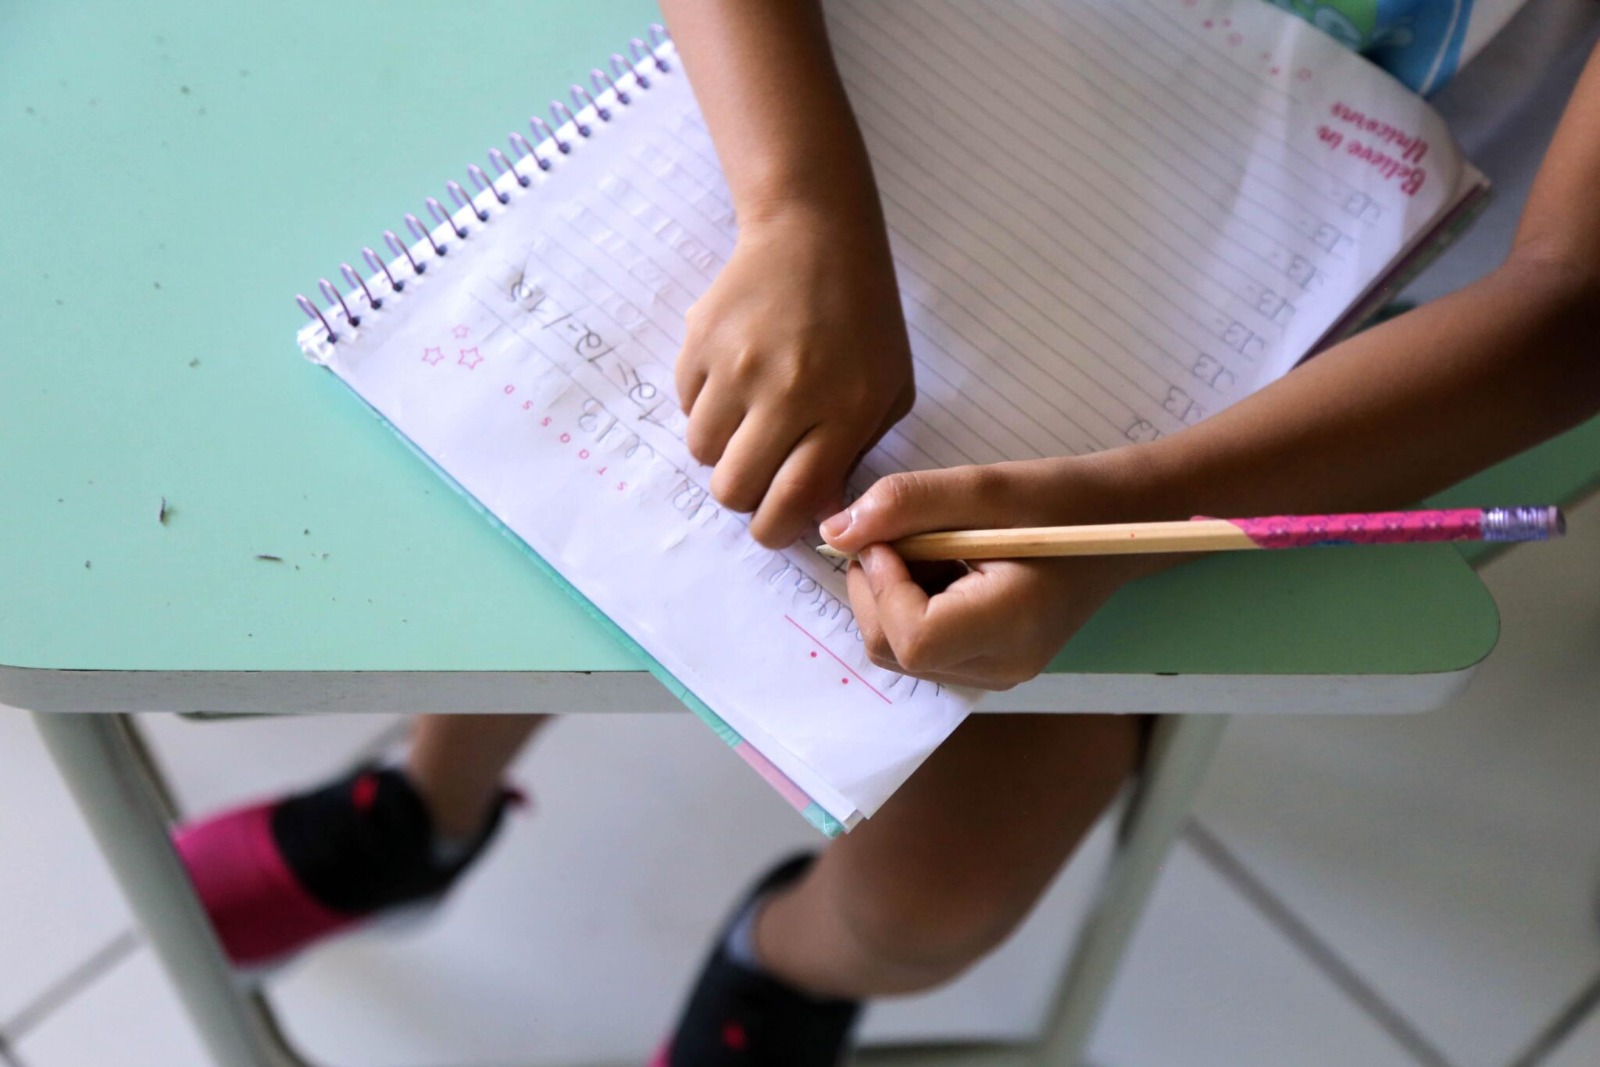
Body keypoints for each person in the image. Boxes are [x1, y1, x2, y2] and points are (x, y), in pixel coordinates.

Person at [174, 0, 1600, 1062]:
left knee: (939, 894)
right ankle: (428, 811)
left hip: (1309, 370)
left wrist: (1136, 511)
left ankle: (784, 965)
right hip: (860, 118)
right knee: (563, 559)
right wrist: (797, 201)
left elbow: (1574, 310)